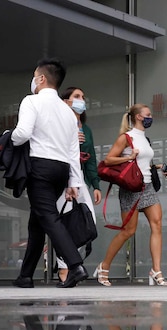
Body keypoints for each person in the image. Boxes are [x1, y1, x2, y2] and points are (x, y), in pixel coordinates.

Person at [11, 58, 88, 289]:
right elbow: (74, 149)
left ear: (42, 78)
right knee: (38, 221)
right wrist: (74, 181)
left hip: (40, 167)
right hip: (61, 170)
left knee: (48, 217)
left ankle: (75, 266)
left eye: (35, 76)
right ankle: (25, 276)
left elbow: (23, 133)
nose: (33, 80)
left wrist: (9, 137)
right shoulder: (67, 112)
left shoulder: (31, 101)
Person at [93, 104, 167, 286]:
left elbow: (144, 163)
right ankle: (104, 266)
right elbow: (108, 160)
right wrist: (128, 157)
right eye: (148, 114)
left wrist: (160, 167)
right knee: (128, 231)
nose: (151, 117)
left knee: (157, 224)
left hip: (148, 185)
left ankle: (156, 270)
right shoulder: (126, 138)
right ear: (138, 117)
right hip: (131, 187)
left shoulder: (145, 139)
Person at [55, 86, 100, 285]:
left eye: (83, 96)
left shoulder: (86, 129)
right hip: (63, 177)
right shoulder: (59, 124)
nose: (82, 100)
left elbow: (91, 159)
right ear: (65, 101)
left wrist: (96, 184)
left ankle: (75, 264)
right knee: (65, 223)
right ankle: (64, 268)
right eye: (77, 96)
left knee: (87, 223)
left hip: (80, 178)